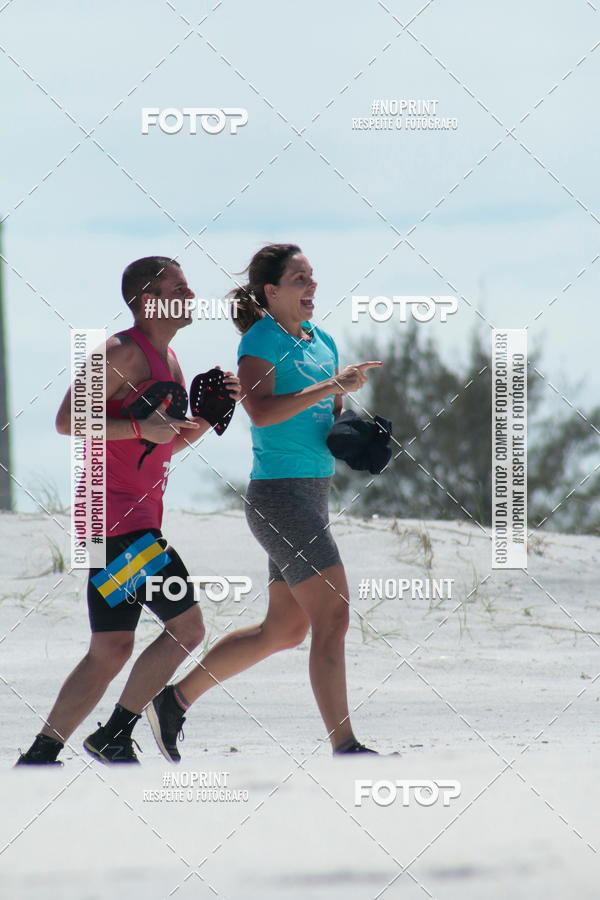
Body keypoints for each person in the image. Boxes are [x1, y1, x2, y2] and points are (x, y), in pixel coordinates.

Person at [147, 243, 382, 760]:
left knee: (285, 628)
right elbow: (261, 412)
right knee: (334, 616)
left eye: (312, 277)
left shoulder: (323, 341)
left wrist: (356, 435)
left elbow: (329, 415)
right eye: (300, 279)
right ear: (271, 291)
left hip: (313, 496)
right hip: (278, 498)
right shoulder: (260, 340)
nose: (312, 286)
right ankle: (345, 744)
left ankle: (174, 700)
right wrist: (329, 388)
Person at [16, 256, 241, 765]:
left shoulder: (172, 361)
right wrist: (143, 428)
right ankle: (115, 734)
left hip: (125, 525)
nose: (190, 293)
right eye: (178, 286)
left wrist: (202, 422)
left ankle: (40, 755)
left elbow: (158, 447)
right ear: (147, 299)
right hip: (114, 524)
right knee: (188, 629)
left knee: (112, 647)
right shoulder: (120, 352)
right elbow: (67, 419)